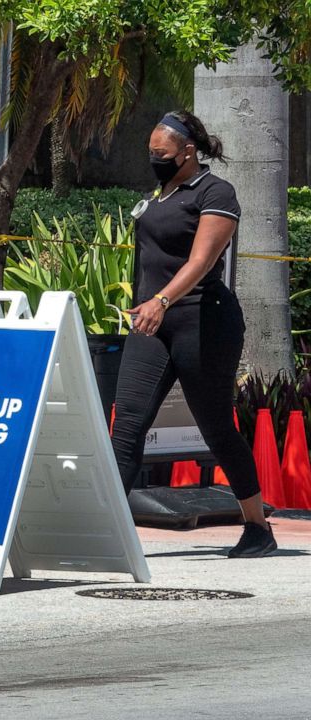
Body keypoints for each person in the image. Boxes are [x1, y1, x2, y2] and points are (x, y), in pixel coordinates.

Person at [111, 110, 276, 558]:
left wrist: (160, 300)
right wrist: (149, 304)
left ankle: (258, 526)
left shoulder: (215, 192)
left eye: (160, 153)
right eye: (150, 152)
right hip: (152, 323)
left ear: (188, 151)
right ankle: (111, 534)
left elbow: (201, 262)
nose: (153, 159)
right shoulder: (160, 194)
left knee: (217, 428)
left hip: (202, 321)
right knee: (127, 425)